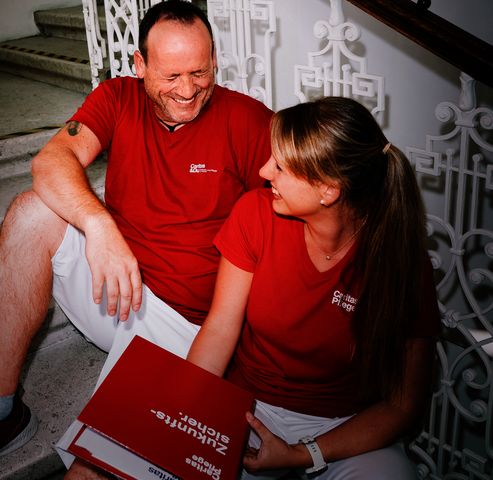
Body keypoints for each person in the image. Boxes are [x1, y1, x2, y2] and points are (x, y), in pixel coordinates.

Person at [0, 1, 274, 479]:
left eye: (200, 72)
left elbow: (287, 229)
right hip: (117, 289)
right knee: (30, 210)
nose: (187, 91)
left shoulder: (248, 121)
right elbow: (50, 161)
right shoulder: (117, 97)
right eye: (170, 76)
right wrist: (100, 226)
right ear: (139, 65)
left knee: (99, 467)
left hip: (189, 330)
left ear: (213, 62)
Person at [187, 96, 441, 479]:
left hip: (344, 425)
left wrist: (302, 454)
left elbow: (403, 405)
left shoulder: (400, 259)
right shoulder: (255, 213)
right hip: (250, 407)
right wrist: (181, 410)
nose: (263, 170)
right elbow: (220, 327)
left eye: (280, 166)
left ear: (328, 191)